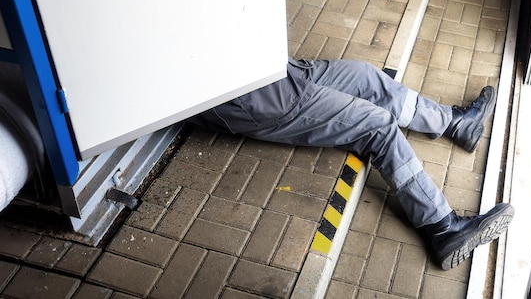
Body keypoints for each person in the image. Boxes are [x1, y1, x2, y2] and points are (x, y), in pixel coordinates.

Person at [195, 58, 514, 270]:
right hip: (250, 95)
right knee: (377, 126)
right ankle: (442, 227)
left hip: (268, 66)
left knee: (366, 78)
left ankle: (455, 123)